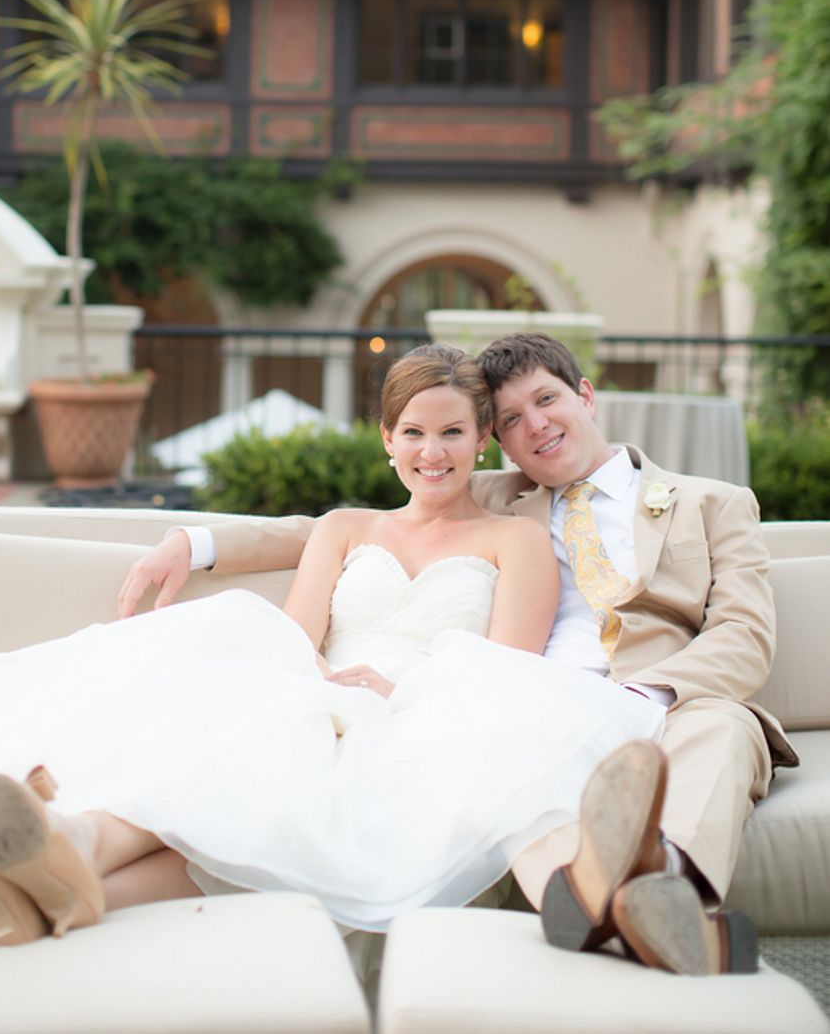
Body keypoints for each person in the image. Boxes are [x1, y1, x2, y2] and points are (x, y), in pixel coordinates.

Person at [0, 344, 664, 1029]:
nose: (433, 452)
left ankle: (37, 868)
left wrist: (394, 690)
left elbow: (506, 670)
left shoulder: (514, 541)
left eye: (453, 431)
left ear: (483, 439)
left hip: (425, 715)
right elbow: (294, 640)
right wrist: (323, 684)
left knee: (271, 783)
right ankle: (58, 851)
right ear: (387, 439)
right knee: (246, 729)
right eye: (414, 432)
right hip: (314, 689)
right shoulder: (345, 528)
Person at [120, 332, 794, 976]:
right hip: (522, 703)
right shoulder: (497, 498)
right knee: (489, 744)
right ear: (495, 440)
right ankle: (632, 908)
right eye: (512, 419)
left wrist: (643, 696)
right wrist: (197, 544)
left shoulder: (713, 504)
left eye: (547, 400)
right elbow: (342, 530)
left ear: (585, 395)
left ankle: (667, 894)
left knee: (725, 723)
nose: (536, 425)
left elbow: (744, 634)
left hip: (666, 701)